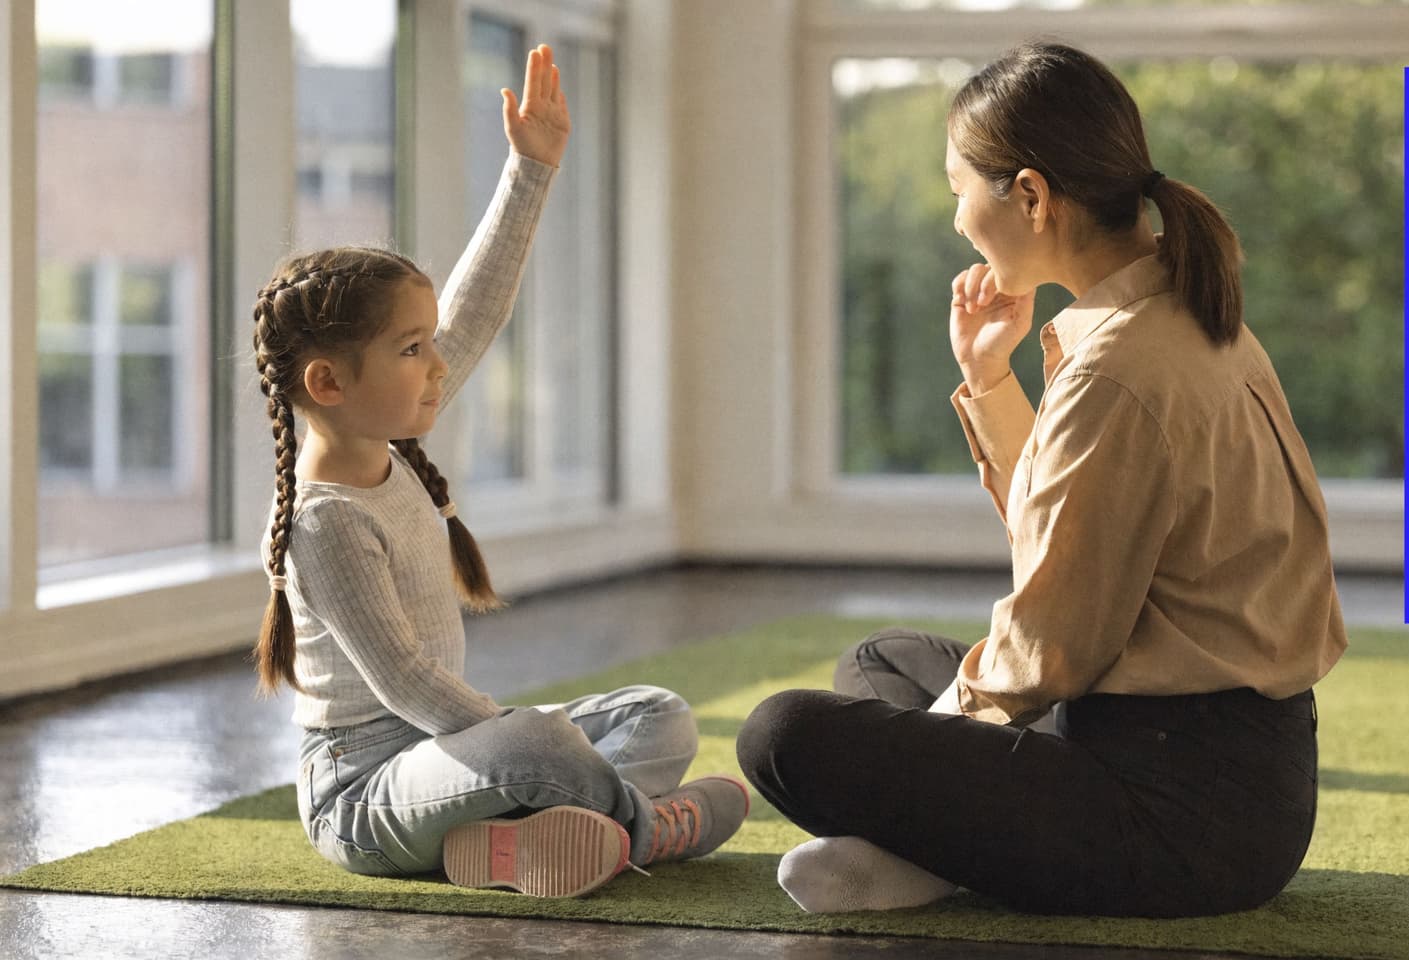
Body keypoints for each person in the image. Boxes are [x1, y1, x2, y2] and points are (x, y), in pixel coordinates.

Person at [737, 39, 1347, 917]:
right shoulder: (1174, 318)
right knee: (880, 661)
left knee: (783, 734)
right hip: (1215, 769)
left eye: (959, 191)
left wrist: (929, 751)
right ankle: (932, 846)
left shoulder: (1119, 370)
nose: (956, 221)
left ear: (1029, 194)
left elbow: (1053, 645)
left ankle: (923, 848)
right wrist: (990, 377)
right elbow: (1072, 540)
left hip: (1180, 817)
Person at [251, 44, 745, 898]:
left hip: (438, 759)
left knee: (656, 713)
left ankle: (515, 839)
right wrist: (527, 740)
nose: (438, 365)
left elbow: (474, 311)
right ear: (329, 383)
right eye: (412, 350)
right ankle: (644, 829)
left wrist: (530, 169)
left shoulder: (392, 446)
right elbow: (406, 682)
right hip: (362, 797)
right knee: (538, 745)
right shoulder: (324, 522)